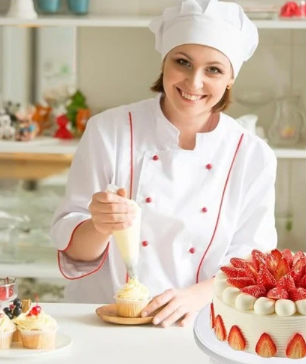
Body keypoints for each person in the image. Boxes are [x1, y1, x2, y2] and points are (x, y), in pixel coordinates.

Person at [50, 0, 277, 328]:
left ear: (229, 79)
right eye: (182, 62)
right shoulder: (109, 131)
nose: (194, 82)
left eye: (213, 69)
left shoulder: (252, 155)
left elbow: (252, 263)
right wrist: (99, 226)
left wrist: (197, 296)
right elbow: (76, 254)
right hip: (102, 322)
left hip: (197, 324)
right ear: (164, 61)